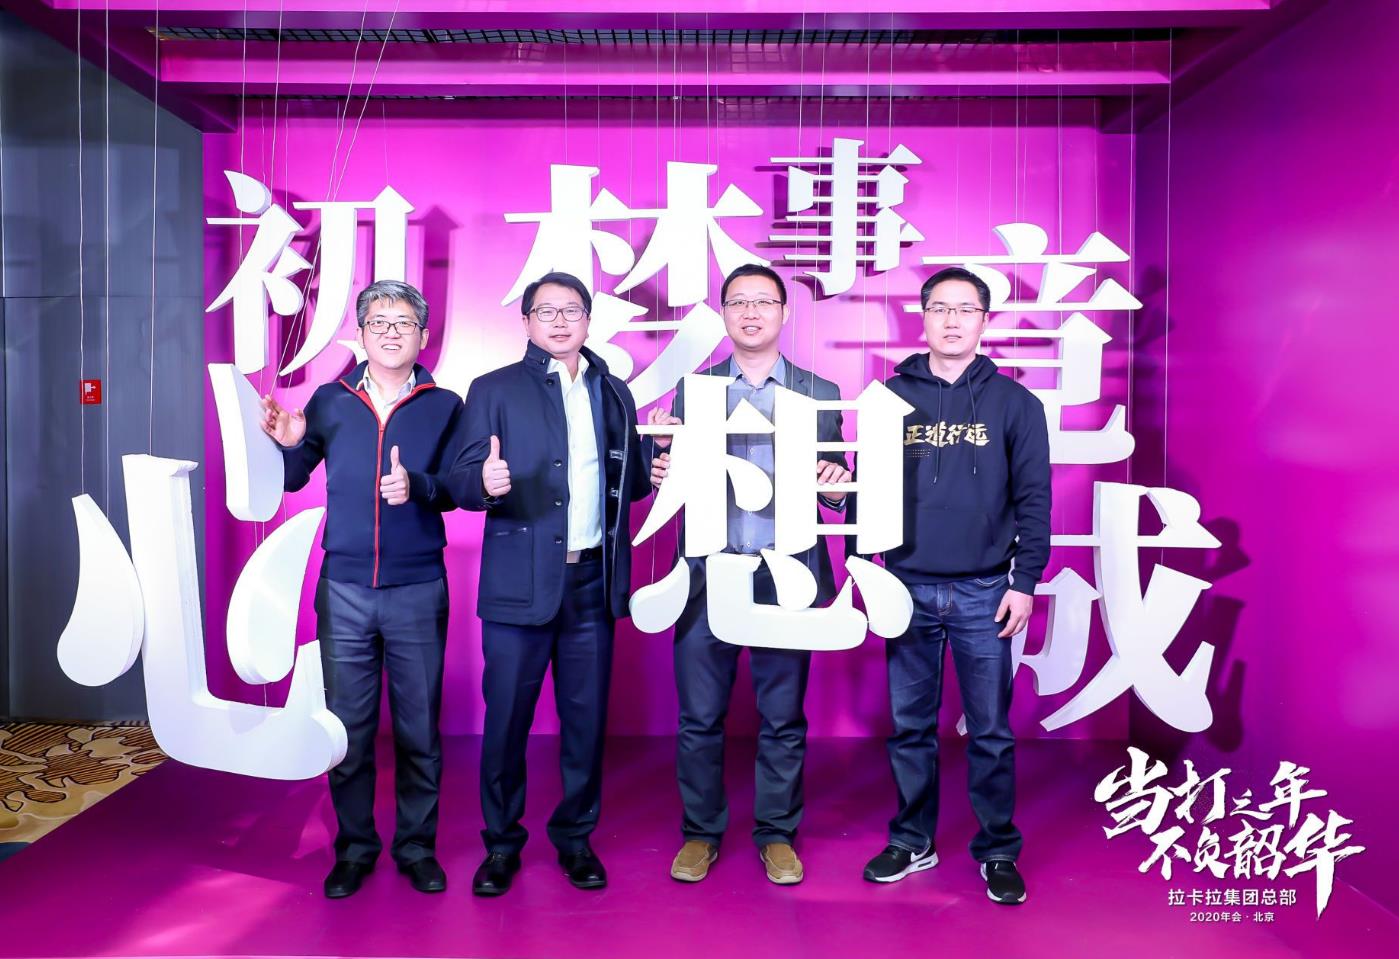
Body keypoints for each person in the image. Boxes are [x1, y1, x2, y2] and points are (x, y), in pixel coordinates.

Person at [447, 271, 650, 897]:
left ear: (588, 320)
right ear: (527, 322)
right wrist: (484, 483)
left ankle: (576, 840)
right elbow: (459, 481)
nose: (560, 321)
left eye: (572, 311)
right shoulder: (493, 389)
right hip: (519, 585)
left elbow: (630, 485)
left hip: (592, 582)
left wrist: (655, 463)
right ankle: (501, 845)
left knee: (585, 723)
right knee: (506, 720)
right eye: (546, 311)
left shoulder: (613, 392)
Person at [649, 263, 851, 886]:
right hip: (708, 574)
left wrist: (838, 487)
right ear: (724, 314)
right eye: (739, 301)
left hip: (787, 577)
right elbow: (670, 476)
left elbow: (839, 486)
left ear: (785, 313)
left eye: (764, 301)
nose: (752, 312)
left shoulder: (820, 391)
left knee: (783, 717)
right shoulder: (695, 390)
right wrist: (662, 469)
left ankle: (777, 834)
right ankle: (700, 832)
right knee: (699, 716)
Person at [260, 280, 462, 899]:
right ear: (361, 333)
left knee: (419, 731)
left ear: (422, 336)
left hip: (418, 586)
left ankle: (417, 848)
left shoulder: (445, 404)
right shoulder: (330, 399)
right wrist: (289, 444)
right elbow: (294, 478)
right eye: (379, 322)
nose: (391, 332)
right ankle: (354, 849)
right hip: (344, 588)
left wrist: (419, 486)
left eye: (404, 322)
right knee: (347, 730)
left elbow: (458, 487)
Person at [861, 266, 1051, 905]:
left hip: (985, 590)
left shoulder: (1016, 404)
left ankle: (997, 849)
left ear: (984, 321)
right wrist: (863, 565)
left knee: (990, 730)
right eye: (940, 308)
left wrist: (1025, 581)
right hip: (906, 585)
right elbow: (864, 490)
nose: (951, 320)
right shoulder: (889, 398)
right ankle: (912, 840)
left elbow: (1035, 500)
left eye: (965, 309)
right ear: (923, 318)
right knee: (910, 727)